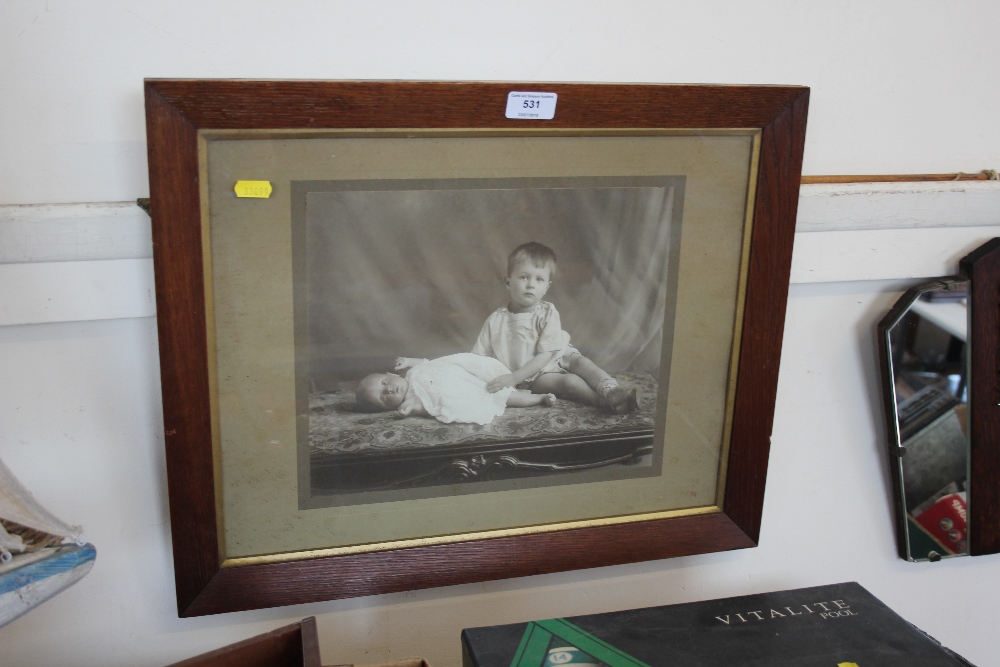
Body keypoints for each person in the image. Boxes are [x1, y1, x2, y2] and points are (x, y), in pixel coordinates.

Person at [472, 241, 639, 414]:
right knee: (570, 382)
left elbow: (547, 354)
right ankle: (610, 403)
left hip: (555, 355)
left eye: (539, 279)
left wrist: (513, 377)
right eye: (523, 277)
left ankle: (610, 389)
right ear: (508, 282)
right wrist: (508, 379)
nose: (531, 284)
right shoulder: (495, 321)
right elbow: (477, 357)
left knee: (581, 362)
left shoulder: (547, 312)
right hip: (531, 376)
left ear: (546, 287)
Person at [355, 353, 556, 425]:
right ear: (386, 409)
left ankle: (528, 392)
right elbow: (426, 406)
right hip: (464, 392)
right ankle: (539, 399)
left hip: (462, 377)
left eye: (384, 384)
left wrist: (408, 360)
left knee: (494, 385)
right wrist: (410, 411)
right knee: (504, 398)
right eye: (383, 397)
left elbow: (427, 362)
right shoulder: (409, 401)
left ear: (390, 375)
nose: (388, 390)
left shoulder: (412, 372)